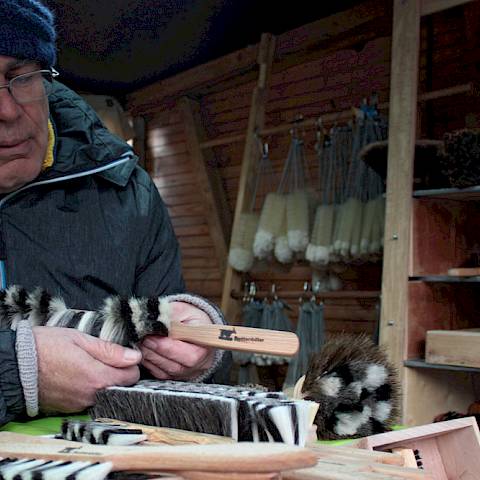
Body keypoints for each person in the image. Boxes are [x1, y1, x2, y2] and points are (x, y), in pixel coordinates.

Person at [0, 0, 228, 426]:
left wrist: (200, 357)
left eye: (21, 77)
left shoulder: (124, 189)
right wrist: (15, 372)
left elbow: (177, 376)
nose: (8, 110)